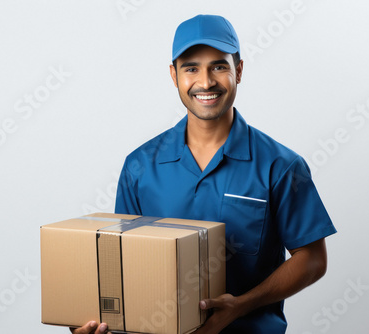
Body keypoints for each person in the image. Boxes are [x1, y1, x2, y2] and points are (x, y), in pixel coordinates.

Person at [72, 14, 337, 334]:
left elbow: (311, 258)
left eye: (219, 66)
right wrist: (97, 323)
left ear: (239, 70)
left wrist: (242, 305)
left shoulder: (281, 166)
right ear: (174, 75)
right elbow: (123, 262)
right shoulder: (139, 166)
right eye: (191, 68)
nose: (206, 81)